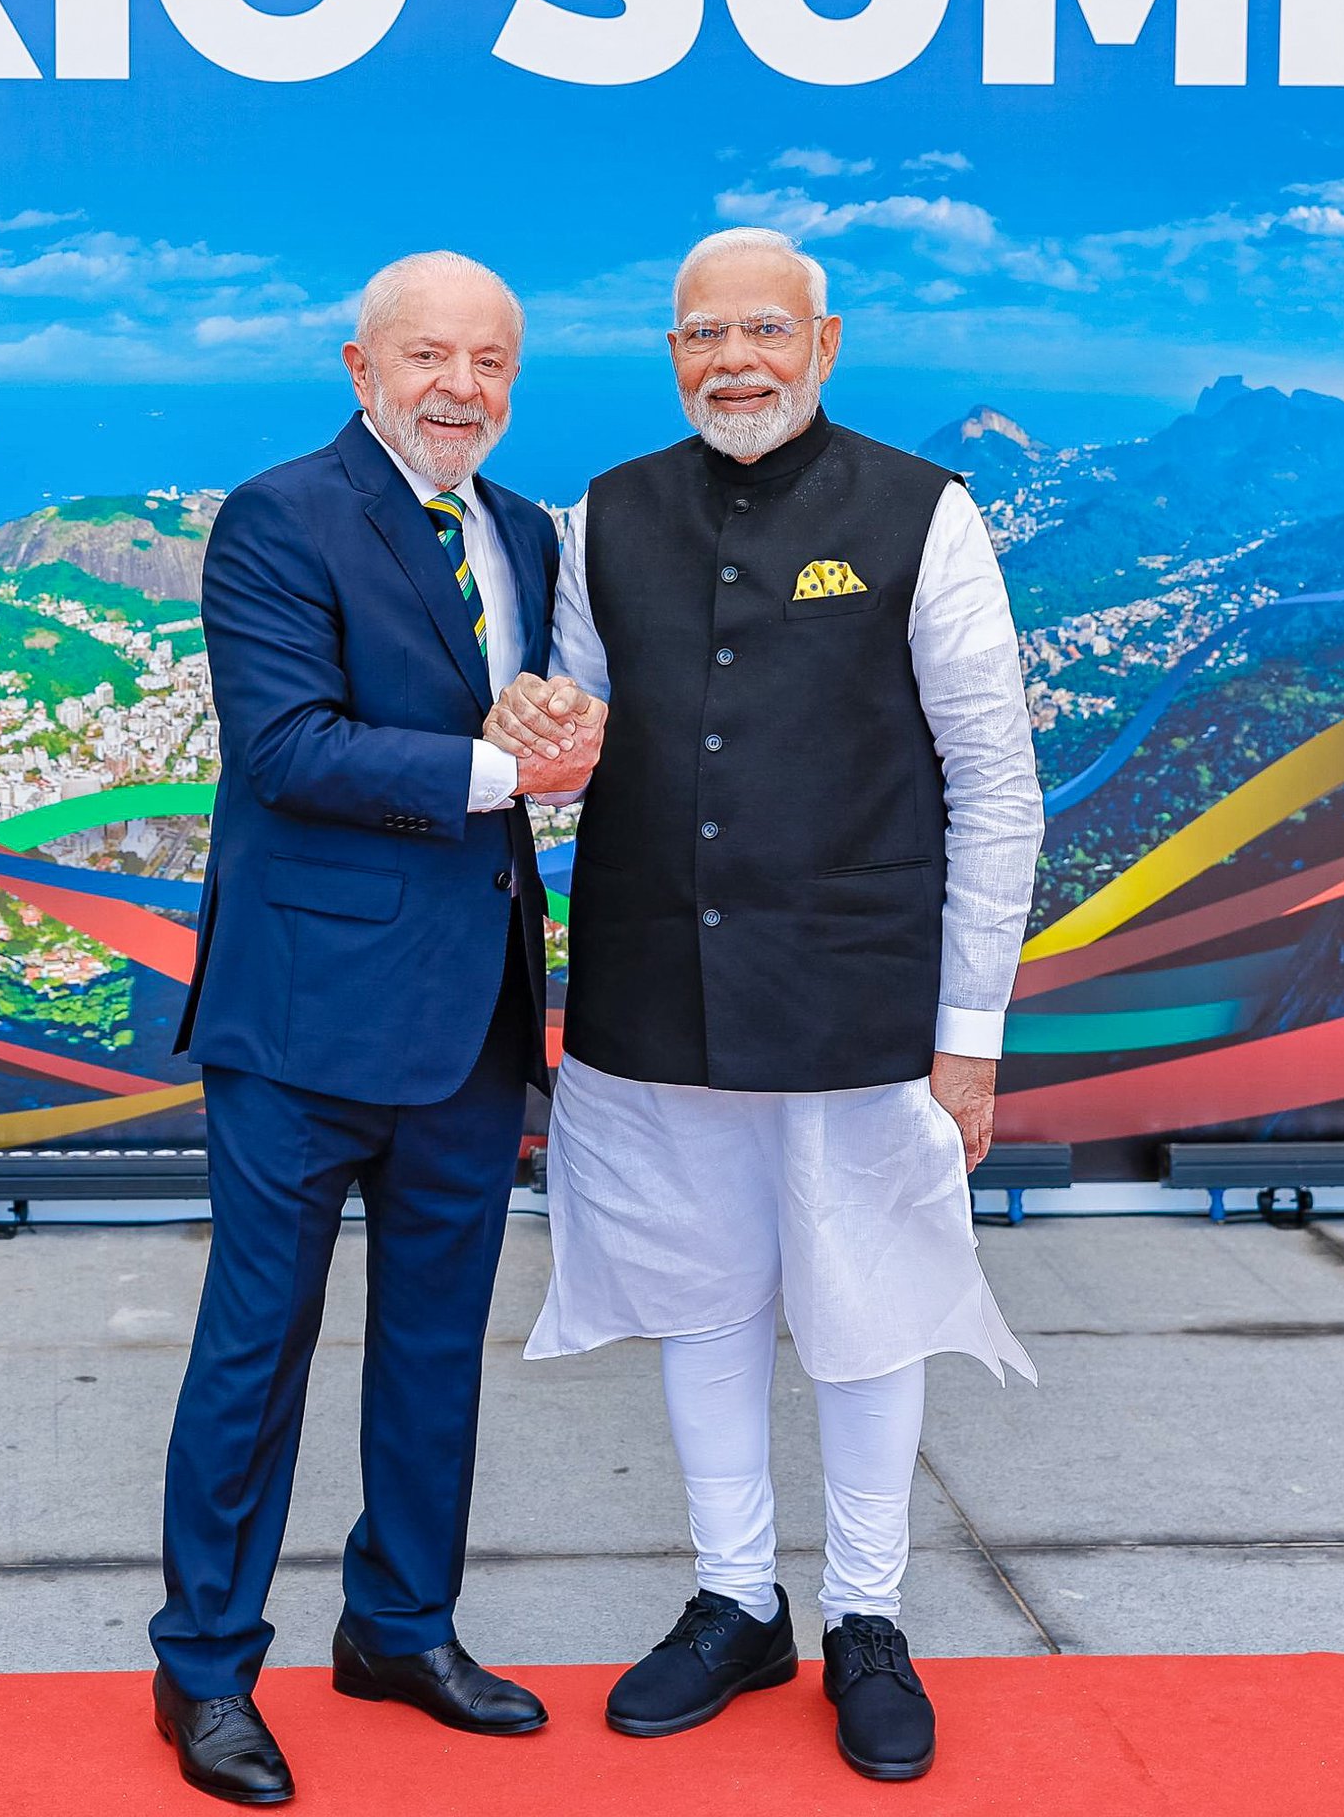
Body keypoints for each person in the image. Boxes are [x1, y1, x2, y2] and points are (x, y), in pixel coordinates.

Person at [488, 223, 1041, 1785]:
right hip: (654, 990)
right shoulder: (604, 518)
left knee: (865, 1316)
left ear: (822, 341)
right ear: (671, 354)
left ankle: (866, 1617)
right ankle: (736, 1598)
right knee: (698, 1297)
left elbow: (995, 785)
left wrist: (970, 1036)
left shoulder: (923, 515)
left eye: (760, 330)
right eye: (696, 335)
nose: (729, 360)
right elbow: (580, 743)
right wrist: (533, 723)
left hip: (861, 996)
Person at [151, 251, 594, 1806]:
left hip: (469, 1023)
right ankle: (204, 1669)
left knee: (430, 1353)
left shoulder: (529, 532)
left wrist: (570, 738)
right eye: (428, 355)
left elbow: (532, 713)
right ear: (359, 365)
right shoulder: (277, 517)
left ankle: (399, 1627)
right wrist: (505, 775)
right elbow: (285, 750)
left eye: (489, 360)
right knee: (253, 1355)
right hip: (298, 1026)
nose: (458, 385)